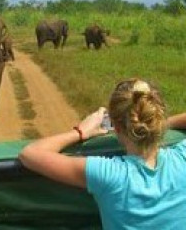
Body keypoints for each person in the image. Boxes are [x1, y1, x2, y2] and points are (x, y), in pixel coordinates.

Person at [19, 78, 186, 229]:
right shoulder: (182, 158)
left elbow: (30, 153)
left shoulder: (108, 174)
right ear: (157, 119)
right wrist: (160, 123)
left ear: (117, 128)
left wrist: (80, 132)